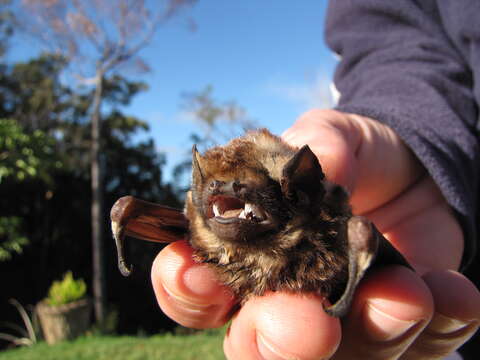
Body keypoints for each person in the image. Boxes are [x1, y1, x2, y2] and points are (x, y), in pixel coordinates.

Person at [151, 1, 480, 359]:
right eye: (212, 186)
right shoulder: (202, 232)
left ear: (298, 189)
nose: (221, 191)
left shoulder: (325, 228)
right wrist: (413, 141)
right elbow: (394, 38)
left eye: (241, 187)